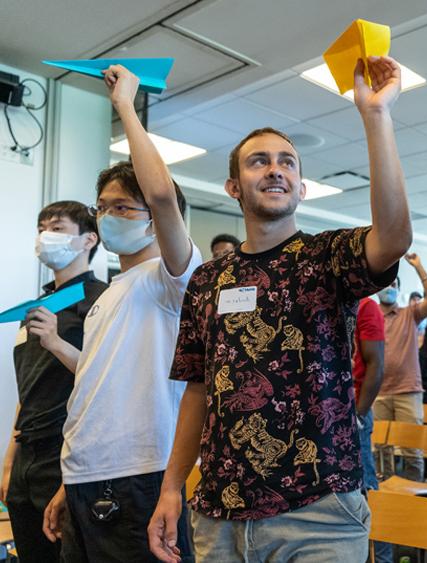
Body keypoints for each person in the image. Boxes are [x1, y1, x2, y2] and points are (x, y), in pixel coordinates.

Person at [147, 55, 411, 563]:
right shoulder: (207, 280)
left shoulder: (327, 257)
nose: (275, 169)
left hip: (319, 513)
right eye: (258, 161)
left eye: (287, 161)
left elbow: (394, 236)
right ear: (233, 187)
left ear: (301, 187)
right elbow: (197, 389)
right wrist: (170, 487)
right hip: (218, 513)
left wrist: (376, 116)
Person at [37, 66, 202, 562]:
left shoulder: (172, 278)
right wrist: (73, 476)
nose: (108, 216)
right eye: (102, 207)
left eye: (123, 208)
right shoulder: (111, 292)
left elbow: (160, 195)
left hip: (140, 478)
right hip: (88, 475)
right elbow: (96, 385)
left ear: (155, 221)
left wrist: (125, 107)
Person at [0, 201, 106, 562]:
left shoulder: (100, 301)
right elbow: (28, 388)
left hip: (67, 451)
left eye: (57, 228)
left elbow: (107, 381)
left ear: (88, 239)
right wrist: (10, 460)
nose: (45, 235)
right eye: (42, 227)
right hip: (26, 457)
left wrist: (57, 343)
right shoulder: (35, 308)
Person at [373, 253, 427, 481]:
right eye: (385, 284)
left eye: (393, 284)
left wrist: (419, 267)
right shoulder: (370, 317)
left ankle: (414, 499)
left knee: (412, 451)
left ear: (399, 289)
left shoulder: (409, 314)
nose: (389, 287)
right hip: (378, 393)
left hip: (408, 391)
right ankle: (388, 500)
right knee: (382, 451)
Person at [351, 297, 392, 563]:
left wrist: (359, 414)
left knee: (367, 490)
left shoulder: (365, 306)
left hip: (354, 413)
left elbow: (376, 365)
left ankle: (383, 558)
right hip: (326, 418)